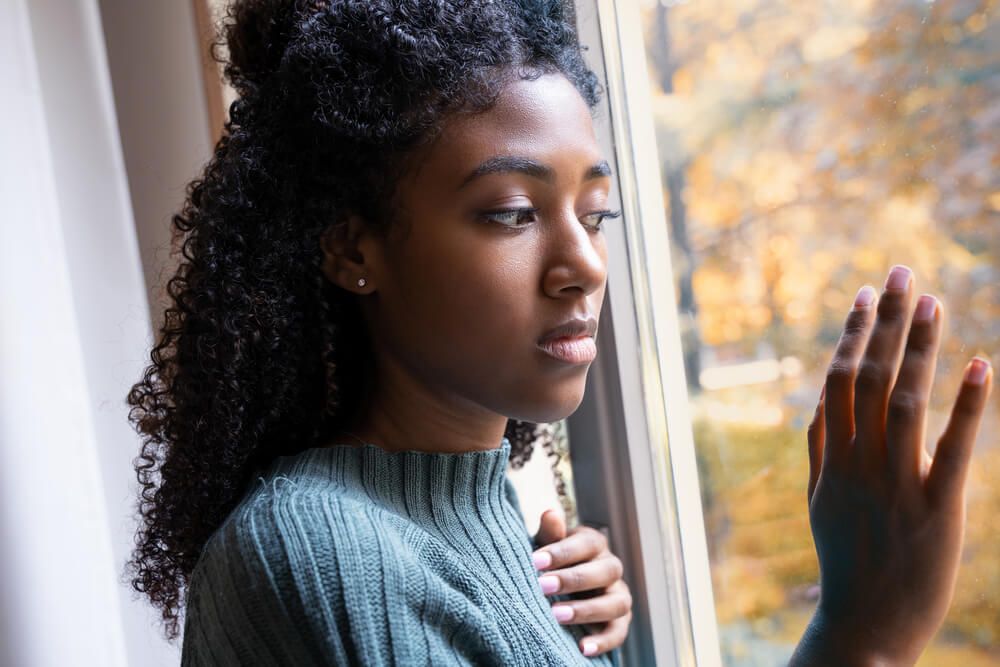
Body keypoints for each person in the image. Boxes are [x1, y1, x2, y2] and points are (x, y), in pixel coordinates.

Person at [125, 0, 993, 665]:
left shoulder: (515, 530)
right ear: (355, 247)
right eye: (510, 214)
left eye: (595, 211)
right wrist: (861, 630)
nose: (584, 264)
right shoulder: (315, 552)